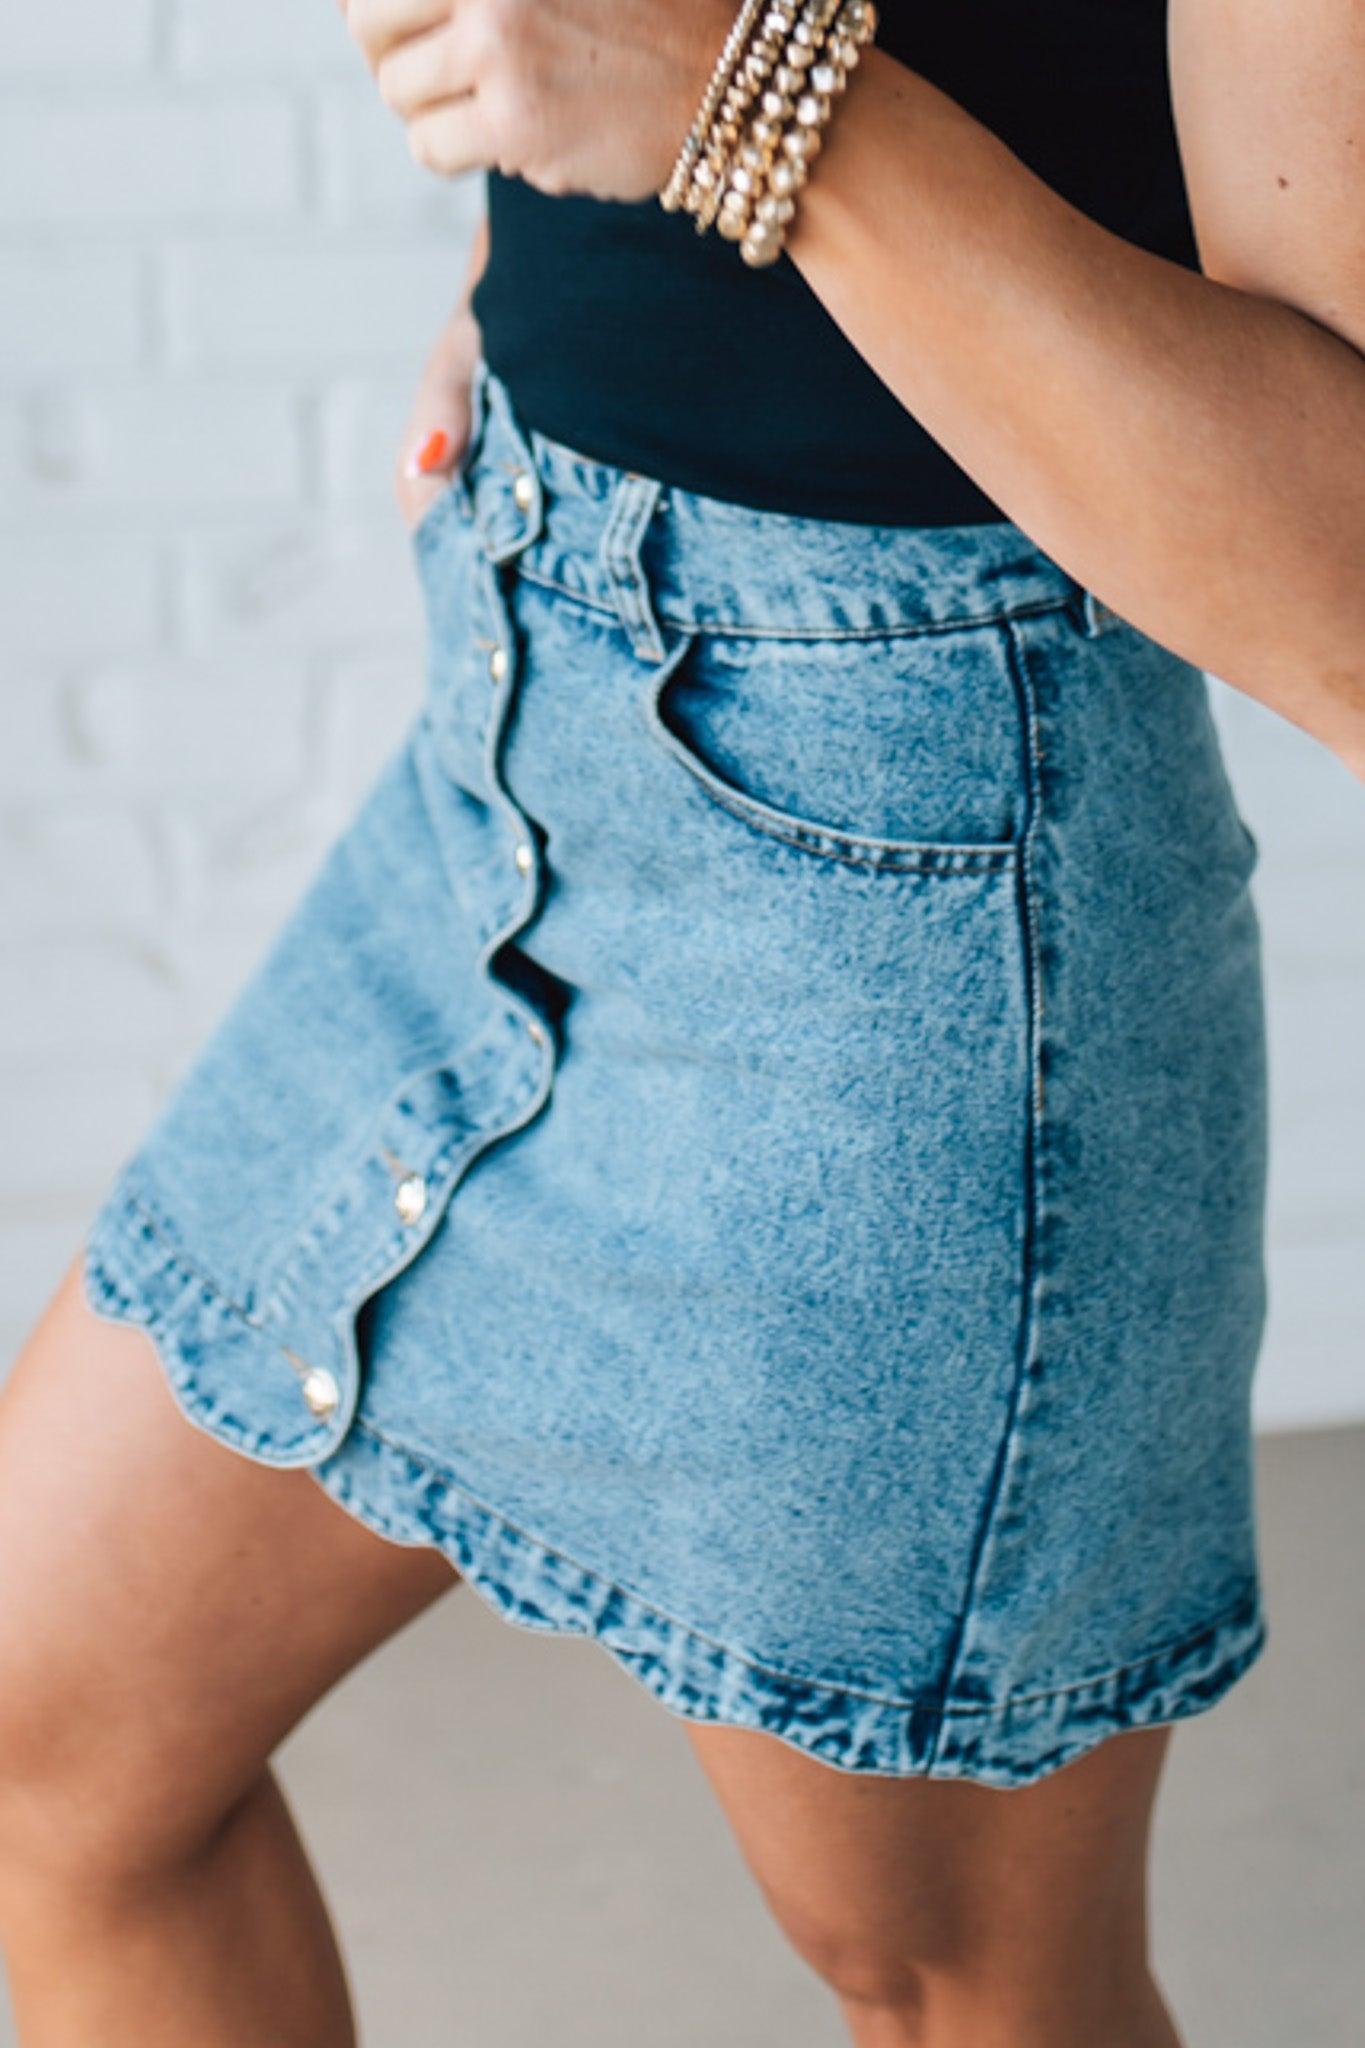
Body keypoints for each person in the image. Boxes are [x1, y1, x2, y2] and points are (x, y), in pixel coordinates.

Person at [2, 2, 1361, 2043]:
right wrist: (548, 272)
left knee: (957, 1985)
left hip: (907, 884)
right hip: (517, 722)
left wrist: (753, 104)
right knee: (52, 1741)